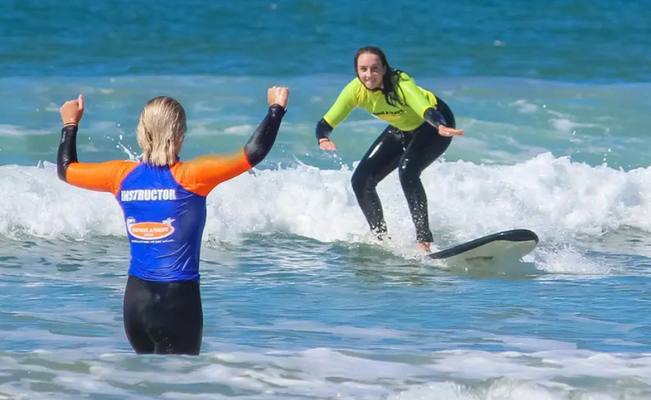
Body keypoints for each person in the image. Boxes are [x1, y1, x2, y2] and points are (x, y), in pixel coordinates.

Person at [55, 86, 290, 355]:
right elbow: (253, 152)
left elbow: (66, 170)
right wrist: (276, 109)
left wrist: (70, 123)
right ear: (180, 134)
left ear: (142, 133)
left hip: (136, 304)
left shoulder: (120, 176)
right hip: (178, 303)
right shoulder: (193, 176)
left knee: (144, 387)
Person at [315, 46, 464, 253]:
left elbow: (424, 108)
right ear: (357, 71)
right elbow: (325, 123)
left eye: (375, 69)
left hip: (434, 125)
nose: (369, 75)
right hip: (402, 127)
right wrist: (323, 137)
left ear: (384, 69)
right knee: (361, 180)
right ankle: (381, 238)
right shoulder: (354, 91)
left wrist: (439, 125)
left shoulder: (401, 83)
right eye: (363, 69)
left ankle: (424, 242)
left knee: (407, 170)